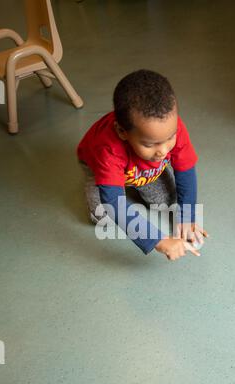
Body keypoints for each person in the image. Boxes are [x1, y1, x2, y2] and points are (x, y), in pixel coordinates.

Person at [77, 69, 208, 261]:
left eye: (170, 138)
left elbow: (185, 170)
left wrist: (187, 216)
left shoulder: (173, 128)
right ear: (122, 132)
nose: (163, 151)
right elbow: (113, 203)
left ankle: (134, 179)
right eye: (150, 143)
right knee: (101, 216)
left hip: (143, 170)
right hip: (101, 168)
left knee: (166, 200)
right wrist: (159, 240)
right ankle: (105, 184)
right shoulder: (108, 149)